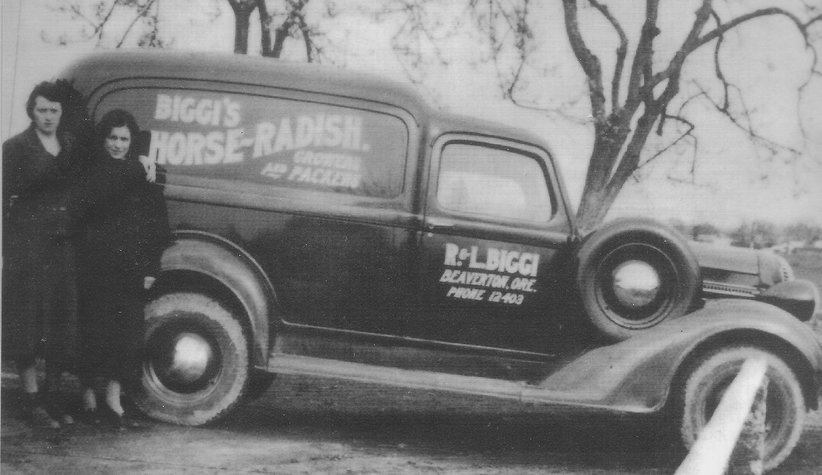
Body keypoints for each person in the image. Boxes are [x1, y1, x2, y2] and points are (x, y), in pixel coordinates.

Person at [2, 81, 91, 429]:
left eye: (54, 110)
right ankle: (30, 398)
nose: (48, 116)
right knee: (26, 323)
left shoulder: (69, 146)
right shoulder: (15, 148)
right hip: (27, 247)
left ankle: (52, 397)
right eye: (42, 110)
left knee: (58, 322)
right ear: (31, 111)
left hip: (62, 246)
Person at [76, 109, 169, 429]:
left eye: (124, 139)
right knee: (91, 331)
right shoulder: (90, 172)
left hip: (129, 266)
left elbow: (156, 226)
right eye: (112, 138)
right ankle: (88, 392)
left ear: (133, 141)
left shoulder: (145, 175)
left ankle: (114, 396)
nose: (117, 144)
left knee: (126, 335)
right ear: (103, 140)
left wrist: (150, 267)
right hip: (93, 265)